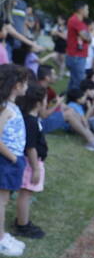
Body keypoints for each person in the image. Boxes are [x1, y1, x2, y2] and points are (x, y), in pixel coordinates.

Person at [0, 64, 28, 256]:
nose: (27, 86)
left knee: (4, 200)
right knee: (1, 201)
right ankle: (0, 239)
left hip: (12, 161)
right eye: (25, 83)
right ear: (16, 85)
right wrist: (13, 158)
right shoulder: (5, 109)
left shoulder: (11, 106)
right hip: (6, 161)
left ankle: (2, 234)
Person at [14, 83, 47, 238]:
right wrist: (36, 169)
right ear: (39, 103)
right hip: (30, 163)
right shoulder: (31, 122)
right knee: (25, 194)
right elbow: (30, 148)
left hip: (32, 162)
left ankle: (22, 220)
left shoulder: (31, 118)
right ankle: (22, 225)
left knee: (26, 194)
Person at [65, 1, 91, 93]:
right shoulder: (75, 21)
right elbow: (87, 38)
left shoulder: (80, 22)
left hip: (78, 56)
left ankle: (69, 103)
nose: (88, 11)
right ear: (81, 10)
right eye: (87, 9)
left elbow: (87, 37)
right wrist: (88, 37)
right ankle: (74, 104)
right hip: (76, 56)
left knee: (73, 82)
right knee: (79, 83)